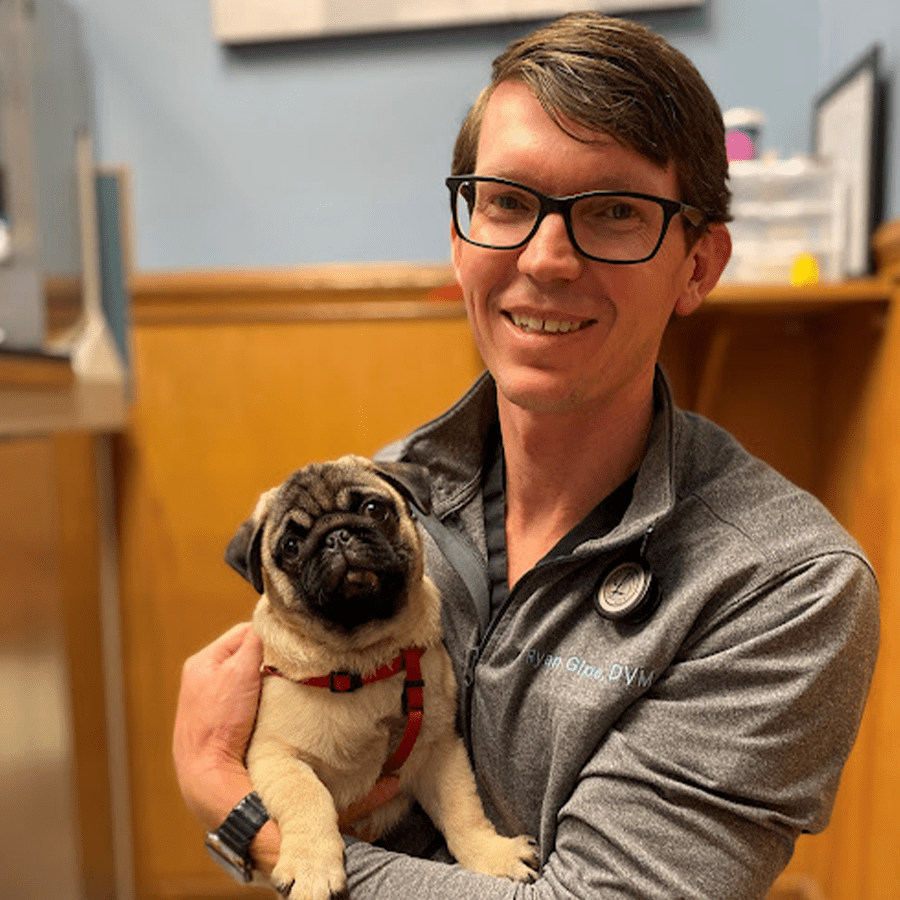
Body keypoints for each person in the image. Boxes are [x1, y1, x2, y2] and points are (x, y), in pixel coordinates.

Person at [173, 12, 879, 899]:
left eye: (616, 212)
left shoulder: (780, 588)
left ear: (700, 265)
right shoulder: (391, 495)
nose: (546, 260)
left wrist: (235, 810)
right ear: (462, 238)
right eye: (506, 202)